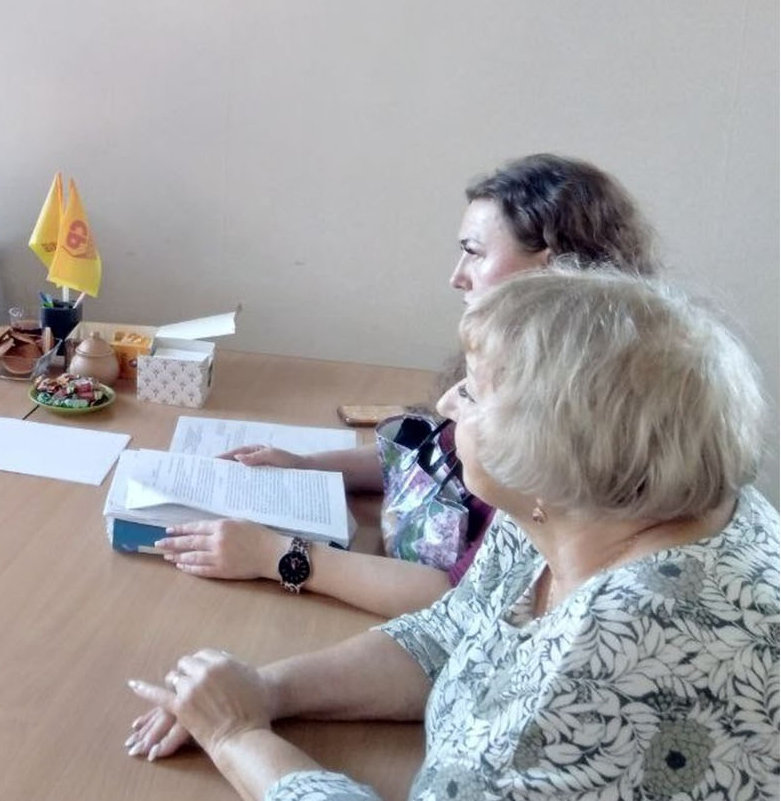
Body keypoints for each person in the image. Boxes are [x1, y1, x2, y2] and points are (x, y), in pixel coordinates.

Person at [126, 267, 778, 799]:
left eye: (474, 392)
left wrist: (237, 735)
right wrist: (268, 690)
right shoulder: (576, 506)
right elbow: (452, 631)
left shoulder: (612, 654)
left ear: (546, 445)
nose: (445, 404)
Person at [156, 154, 659, 617]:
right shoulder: (517, 361)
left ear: (550, 266)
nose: (457, 277)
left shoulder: (571, 419)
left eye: (474, 253)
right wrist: (307, 467)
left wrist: (277, 556)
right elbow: (433, 455)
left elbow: (463, 602)